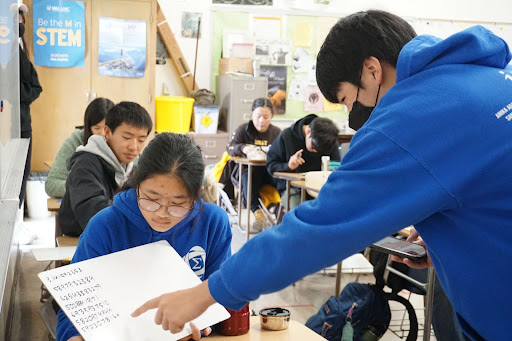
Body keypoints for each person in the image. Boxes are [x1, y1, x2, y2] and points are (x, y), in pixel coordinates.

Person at [131, 10, 512, 340]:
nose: (353, 114)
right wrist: (454, 233)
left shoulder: (413, 117)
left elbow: (315, 232)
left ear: (372, 69)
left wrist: (204, 295)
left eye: (347, 98)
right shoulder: (488, 77)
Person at [57, 133, 232, 341]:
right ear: (137, 184)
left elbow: (221, 295)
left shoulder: (213, 222)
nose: (162, 213)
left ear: (197, 195)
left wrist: (201, 322)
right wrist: (73, 336)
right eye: (151, 199)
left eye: (177, 204)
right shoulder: (105, 226)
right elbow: (74, 309)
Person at [58, 101, 152, 237]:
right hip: (84, 239)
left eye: (141, 140)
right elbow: (93, 213)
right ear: (107, 132)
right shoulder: (85, 165)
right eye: (127, 137)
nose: (134, 146)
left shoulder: (131, 167)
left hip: (114, 236)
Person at [220, 98, 281, 229]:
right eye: (258, 116)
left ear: (271, 117)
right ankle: (257, 212)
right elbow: (230, 147)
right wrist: (243, 148)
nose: (261, 121)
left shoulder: (276, 132)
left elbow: (283, 153)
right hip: (248, 172)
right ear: (252, 114)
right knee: (248, 177)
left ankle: (283, 210)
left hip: (269, 170)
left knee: (283, 178)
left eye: (266, 117)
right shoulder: (243, 129)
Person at [266, 114, 340, 209]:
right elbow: (271, 166)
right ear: (308, 131)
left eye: (320, 150)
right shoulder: (287, 136)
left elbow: (337, 166)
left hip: (320, 188)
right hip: (291, 188)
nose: (316, 151)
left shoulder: (329, 139)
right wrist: (289, 166)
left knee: (335, 210)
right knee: (299, 212)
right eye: (314, 147)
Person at [45, 98, 114, 198]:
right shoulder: (76, 141)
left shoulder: (121, 142)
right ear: (88, 127)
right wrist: (87, 188)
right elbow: (52, 185)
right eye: (96, 128)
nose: (102, 134)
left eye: (106, 129)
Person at [18, 4, 42, 209]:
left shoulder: (21, 48)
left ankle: (17, 217)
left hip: (22, 120)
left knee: (22, 171)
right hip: (10, 123)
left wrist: (21, 96)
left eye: (21, 18)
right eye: (15, 18)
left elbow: (36, 86)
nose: (19, 22)